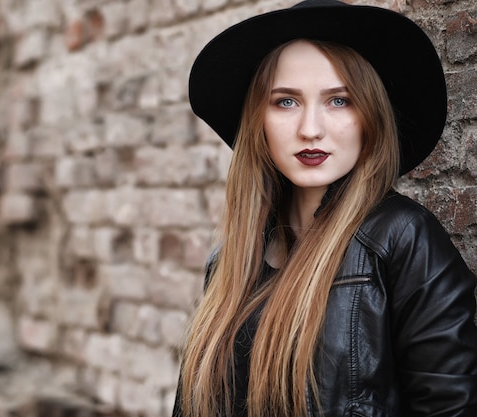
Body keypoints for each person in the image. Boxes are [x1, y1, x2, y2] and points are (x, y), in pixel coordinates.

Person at [173, 0, 477, 416]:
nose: (310, 129)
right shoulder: (225, 263)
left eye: (339, 101)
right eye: (285, 101)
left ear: (370, 115)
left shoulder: (401, 238)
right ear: (256, 121)